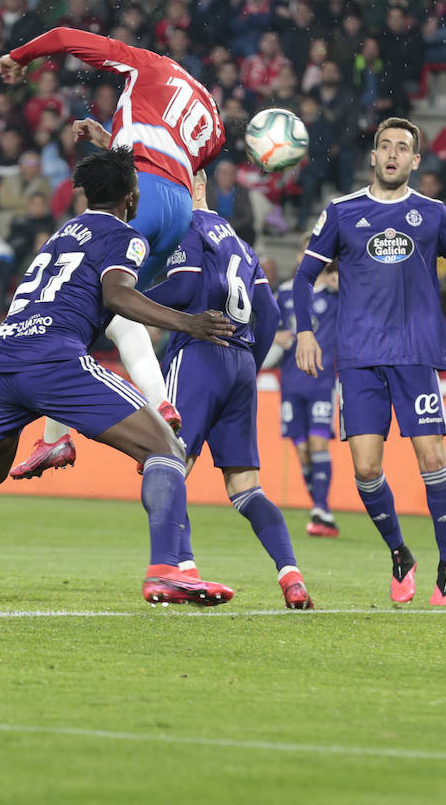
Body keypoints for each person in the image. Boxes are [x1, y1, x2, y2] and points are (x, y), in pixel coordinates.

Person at [0, 148, 236, 605]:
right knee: (167, 448)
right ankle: (166, 572)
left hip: (5, 361)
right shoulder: (125, 236)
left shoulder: (59, 235)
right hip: (54, 360)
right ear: (131, 199)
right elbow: (118, 295)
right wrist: (189, 323)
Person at [291, 118, 446, 606]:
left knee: (434, 458)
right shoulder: (341, 212)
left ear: (416, 160)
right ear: (375, 157)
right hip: (358, 359)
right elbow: (302, 278)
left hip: (414, 355)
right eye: (385, 147)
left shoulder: (434, 214)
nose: (393, 155)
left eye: (403, 148)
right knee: (364, 469)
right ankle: (401, 555)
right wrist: (304, 331)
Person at [0, 28, 224, 477]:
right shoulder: (212, 120)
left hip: (141, 192)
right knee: (110, 310)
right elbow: (169, 157)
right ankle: (55, 437)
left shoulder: (146, 64)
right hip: (177, 208)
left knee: (91, 302)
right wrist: (109, 142)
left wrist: (20, 57)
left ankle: (157, 409)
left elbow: (64, 36)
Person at [143, 170, 313, 609]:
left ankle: (181, 569)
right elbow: (271, 315)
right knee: (247, 488)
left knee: (167, 462)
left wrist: (132, 297)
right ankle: (290, 574)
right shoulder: (240, 242)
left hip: (199, 353)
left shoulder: (189, 228)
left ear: (196, 188)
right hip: (239, 364)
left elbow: (182, 287)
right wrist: (247, 369)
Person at [276, 259, 341, 537]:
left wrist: (341, 282)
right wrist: (274, 335)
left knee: (318, 443)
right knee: (302, 452)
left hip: (322, 381)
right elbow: (266, 324)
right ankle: (321, 511)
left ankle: (321, 508)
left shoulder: (335, 293)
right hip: (290, 380)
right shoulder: (285, 292)